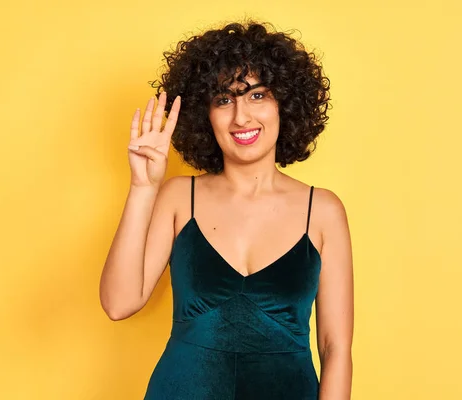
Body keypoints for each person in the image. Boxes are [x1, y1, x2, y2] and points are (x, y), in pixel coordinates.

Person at [99, 20, 353, 400]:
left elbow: (336, 350)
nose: (240, 117)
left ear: (284, 102)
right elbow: (118, 304)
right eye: (223, 99)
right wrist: (142, 188)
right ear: (206, 115)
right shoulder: (177, 197)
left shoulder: (323, 211)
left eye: (256, 95)